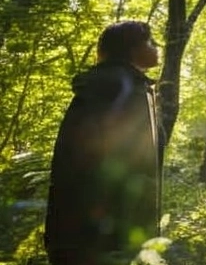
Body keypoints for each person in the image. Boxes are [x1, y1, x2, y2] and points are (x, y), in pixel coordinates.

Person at [44, 21, 167, 265]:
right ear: (131, 49)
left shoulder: (124, 85)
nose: (158, 46)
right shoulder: (118, 88)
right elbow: (106, 166)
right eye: (150, 41)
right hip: (99, 239)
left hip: (94, 235)